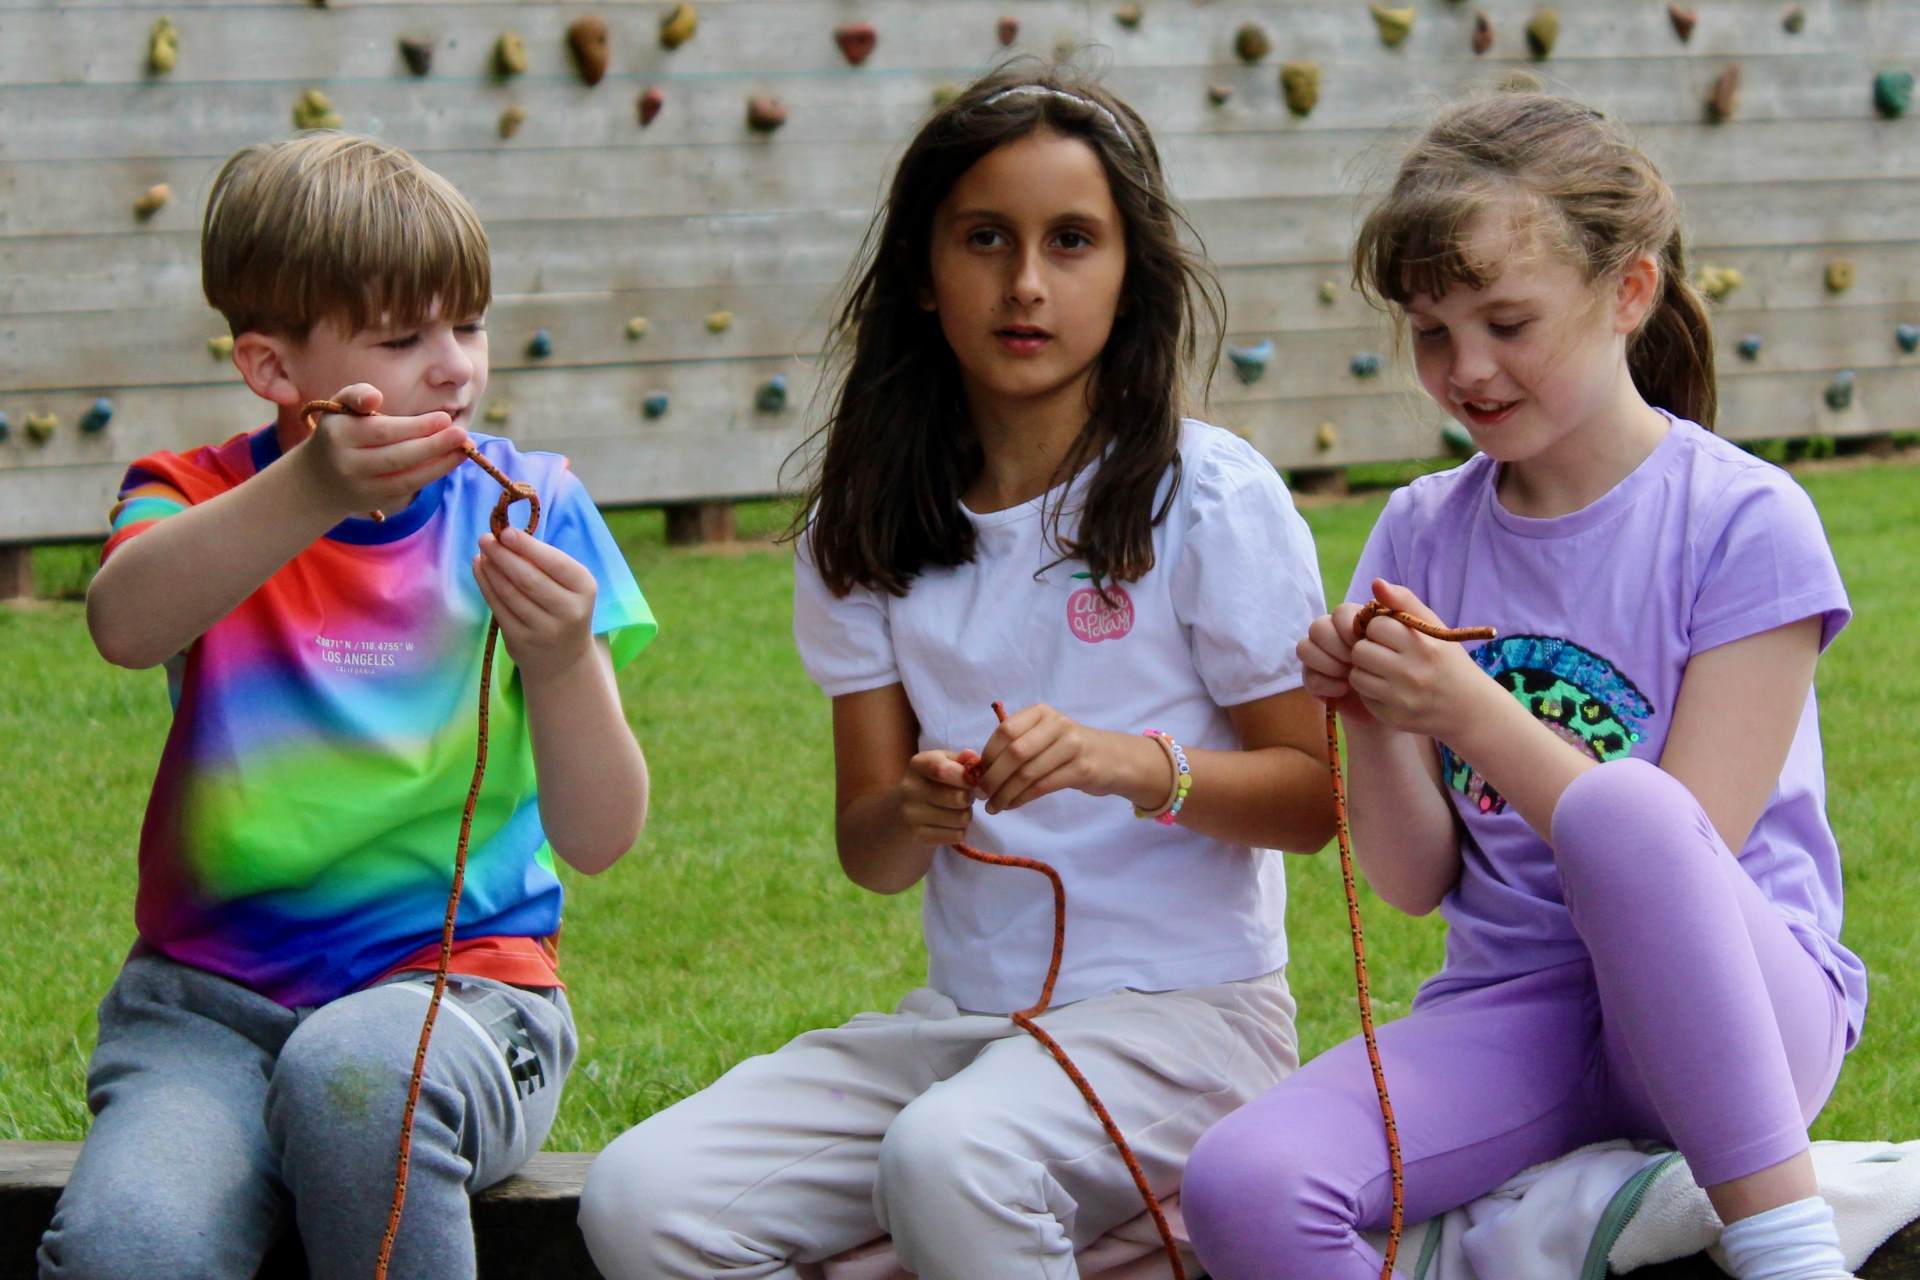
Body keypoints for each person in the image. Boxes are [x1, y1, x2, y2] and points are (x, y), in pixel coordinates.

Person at [579, 65, 1334, 1280]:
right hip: (970, 1027)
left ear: (1129, 274)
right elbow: (872, 853)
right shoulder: (864, 524)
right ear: (925, 273)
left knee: (950, 1159)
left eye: (1071, 241)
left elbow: (1319, 796)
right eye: (986, 238)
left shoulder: (1206, 495)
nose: (1026, 282)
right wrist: (917, 807)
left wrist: (1129, 764)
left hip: (1191, 1023)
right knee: (642, 1199)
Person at [1181, 90, 1864, 1280]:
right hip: (1516, 1015)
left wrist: (1469, 709)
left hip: (1740, 1011)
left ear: (1629, 291)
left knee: (1628, 807)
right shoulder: (1418, 530)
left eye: (1506, 321)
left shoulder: (1743, 519)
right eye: (1431, 332)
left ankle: (1791, 1256)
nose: (1466, 369)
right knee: (1242, 1183)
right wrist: (1372, 716)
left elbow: (1684, 847)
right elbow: (1414, 881)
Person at [37, 132, 656, 1280]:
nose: (454, 369)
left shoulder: (536, 506)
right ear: (274, 367)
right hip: (208, 1009)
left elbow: (603, 832)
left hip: (467, 995)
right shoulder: (195, 497)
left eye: (467, 325)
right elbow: (125, 623)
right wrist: (312, 488)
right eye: (403, 338)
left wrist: (565, 657)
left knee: (354, 1078)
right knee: (131, 1243)